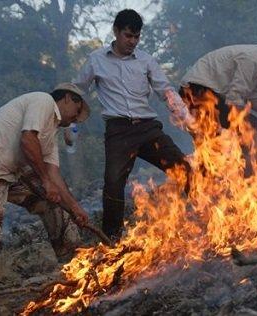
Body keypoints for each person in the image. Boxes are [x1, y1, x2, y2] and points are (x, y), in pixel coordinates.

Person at [0, 83, 90, 308]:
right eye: (77, 111)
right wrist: (45, 181)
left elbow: (54, 176)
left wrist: (75, 208)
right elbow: (27, 140)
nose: (75, 120)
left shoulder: (50, 134)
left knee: (52, 203)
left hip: (5, 175)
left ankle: (76, 268)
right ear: (67, 99)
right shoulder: (43, 101)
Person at [73, 9, 191, 239]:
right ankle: (112, 239)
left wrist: (188, 118)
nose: (133, 42)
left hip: (147, 129)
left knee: (183, 168)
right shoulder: (96, 59)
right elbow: (78, 90)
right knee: (113, 185)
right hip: (118, 131)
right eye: (128, 36)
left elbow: (165, 91)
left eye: (137, 37)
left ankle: (211, 215)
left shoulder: (146, 60)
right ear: (116, 32)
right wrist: (70, 125)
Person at [179, 32, 257, 135]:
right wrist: (250, 132)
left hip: (206, 93)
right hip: (195, 92)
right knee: (248, 125)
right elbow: (234, 98)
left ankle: (245, 159)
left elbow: (251, 98)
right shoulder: (253, 60)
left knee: (249, 124)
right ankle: (245, 159)